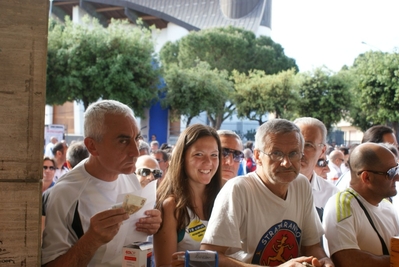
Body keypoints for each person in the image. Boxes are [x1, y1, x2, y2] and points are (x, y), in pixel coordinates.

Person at [41, 100, 161, 267]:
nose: (135, 152)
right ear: (92, 146)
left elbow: (132, 242)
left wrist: (150, 224)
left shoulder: (130, 179)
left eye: (137, 138)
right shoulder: (65, 194)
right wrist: (91, 240)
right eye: (123, 141)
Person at [200, 119, 334, 267]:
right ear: (257, 156)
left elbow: (312, 246)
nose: (286, 162)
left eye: (294, 153)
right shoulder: (238, 190)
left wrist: (323, 261)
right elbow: (209, 257)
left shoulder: (301, 185)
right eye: (276, 153)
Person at [153, 124, 223, 267]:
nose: (208, 162)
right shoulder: (171, 206)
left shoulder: (224, 196)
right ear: (182, 157)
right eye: (199, 154)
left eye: (214, 155)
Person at [323, 143, 399, 267]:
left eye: (396, 169)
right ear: (366, 177)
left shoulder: (387, 206)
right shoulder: (342, 205)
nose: (397, 177)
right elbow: (348, 260)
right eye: (391, 172)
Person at [294, 117, 339, 221]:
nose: (300, 151)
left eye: (308, 145)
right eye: (296, 143)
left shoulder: (332, 195)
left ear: (322, 151)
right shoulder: (270, 189)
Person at [335, 125, 398, 191]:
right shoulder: (350, 186)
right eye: (389, 147)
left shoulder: (389, 183)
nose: (396, 151)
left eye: (396, 146)